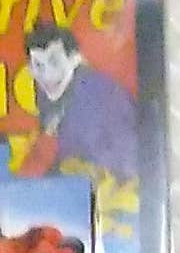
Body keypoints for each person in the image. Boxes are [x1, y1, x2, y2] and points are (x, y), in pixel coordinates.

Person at [17, 19, 139, 180]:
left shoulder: (99, 95)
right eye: (39, 65)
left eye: (55, 62)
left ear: (75, 59)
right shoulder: (47, 96)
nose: (47, 75)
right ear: (31, 69)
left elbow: (130, 161)